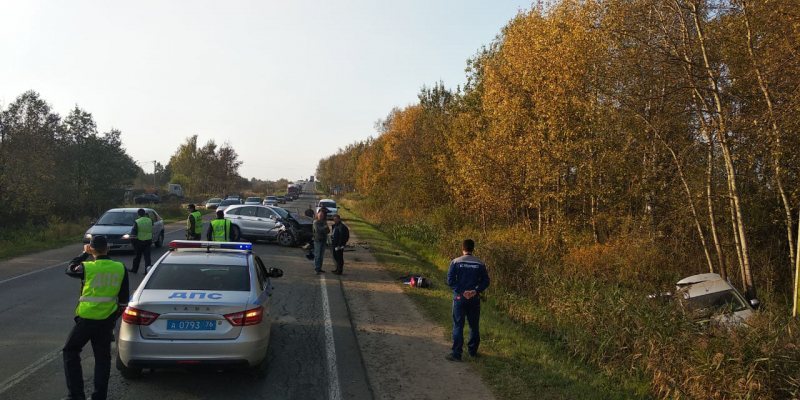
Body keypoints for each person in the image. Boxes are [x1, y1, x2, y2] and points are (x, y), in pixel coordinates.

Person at [63, 236, 129, 400]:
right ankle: (99, 397)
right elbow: (123, 301)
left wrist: (83, 254)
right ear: (108, 248)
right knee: (102, 360)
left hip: (86, 319)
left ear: (91, 249)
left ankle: (76, 395)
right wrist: (113, 318)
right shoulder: (120, 268)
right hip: (106, 321)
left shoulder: (87, 267)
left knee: (70, 351)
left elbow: (70, 269)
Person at [445, 239, 490, 362]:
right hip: (474, 298)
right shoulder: (480, 263)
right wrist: (475, 291)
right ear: (473, 249)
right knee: (474, 326)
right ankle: (472, 351)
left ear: (462, 248)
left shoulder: (455, 262)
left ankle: (456, 354)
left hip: (460, 298)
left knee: (458, 325)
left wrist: (462, 291)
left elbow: (450, 280)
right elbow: (486, 281)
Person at [128, 208, 152, 273]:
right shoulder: (149, 220)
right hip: (148, 241)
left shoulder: (137, 221)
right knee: (147, 257)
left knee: (137, 257)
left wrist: (132, 242)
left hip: (139, 241)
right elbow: (152, 224)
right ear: (144, 214)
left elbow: (133, 234)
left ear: (138, 214)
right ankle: (147, 270)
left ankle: (135, 269)